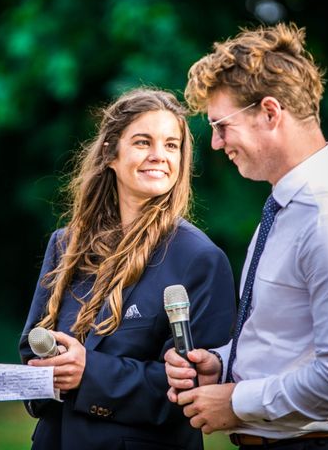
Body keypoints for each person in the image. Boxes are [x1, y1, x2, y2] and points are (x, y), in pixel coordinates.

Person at [164, 23, 328, 450]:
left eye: (222, 126)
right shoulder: (288, 206)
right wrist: (222, 363)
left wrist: (237, 402)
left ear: (270, 112)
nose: (216, 143)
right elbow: (283, 339)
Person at [19, 87, 236, 450]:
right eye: (142, 142)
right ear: (110, 154)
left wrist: (89, 374)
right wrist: (49, 371)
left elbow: (194, 391)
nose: (158, 156)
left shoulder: (200, 259)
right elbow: (32, 348)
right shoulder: (64, 244)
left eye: (171, 145)